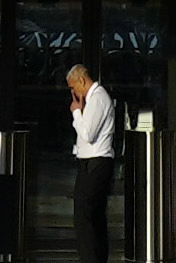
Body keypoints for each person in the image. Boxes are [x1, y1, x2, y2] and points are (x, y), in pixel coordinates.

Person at [67, 61, 119, 263]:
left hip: (96, 162)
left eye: (73, 86)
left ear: (82, 80)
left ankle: (91, 258)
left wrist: (75, 112)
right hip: (91, 161)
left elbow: (88, 134)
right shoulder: (94, 99)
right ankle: (95, 257)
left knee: (85, 215)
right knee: (94, 215)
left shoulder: (97, 99)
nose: (73, 91)